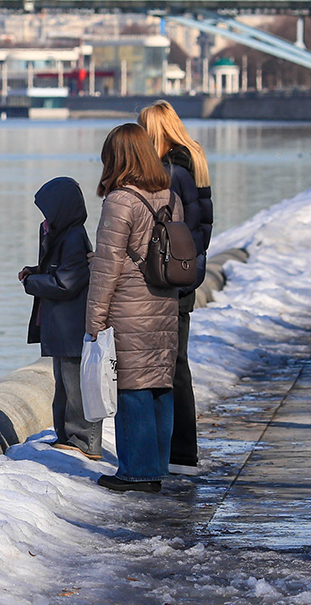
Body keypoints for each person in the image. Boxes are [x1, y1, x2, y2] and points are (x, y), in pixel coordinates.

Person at [87, 123, 182, 493]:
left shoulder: (120, 200)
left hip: (129, 305)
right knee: (158, 383)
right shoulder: (170, 196)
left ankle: (137, 472)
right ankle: (156, 465)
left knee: (131, 388)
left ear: (117, 157)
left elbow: (109, 267)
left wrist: (94, 319)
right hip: (163, 301)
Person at [137, 101, 214, 476]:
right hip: (188, 273)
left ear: (155, 133)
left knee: (171, 366)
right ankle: (182, 449)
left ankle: (180, 452)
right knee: (178, 362)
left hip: (171, 279)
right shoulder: (193, 162)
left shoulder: (169, 171)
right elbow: (200, 228)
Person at [20, 177, 102, 460]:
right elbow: (61, 271)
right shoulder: (61, 234)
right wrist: (36, 271)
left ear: (61, 210)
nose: (44, 218)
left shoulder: (72, 237)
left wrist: (33, 283)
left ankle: (84, 440)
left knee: (76, 385)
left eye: (48, 211)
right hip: (61, 325)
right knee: (64, 384)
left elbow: (68, 282)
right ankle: (67, 436)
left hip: (71, 324)